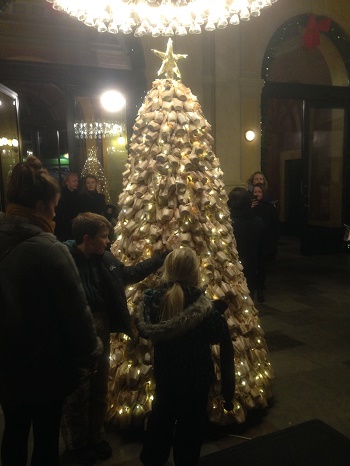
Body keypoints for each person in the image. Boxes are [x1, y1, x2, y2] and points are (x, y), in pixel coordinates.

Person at [0, 156, 102, 466]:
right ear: (43, 205)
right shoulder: (51, 250)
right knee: (46, 440)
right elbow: (77, 316)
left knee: (14, 432)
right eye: (54, 205)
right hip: (45, 368)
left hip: (6, 364)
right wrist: (91, 354)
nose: (56, 211)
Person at [61, 212, 168, 465]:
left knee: (99, 387)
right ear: (87, 238)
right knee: (77, 392)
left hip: (101, 329)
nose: (108, 242)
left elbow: (129, 274)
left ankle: (96, 436)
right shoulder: (65, 261)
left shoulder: (106, 259)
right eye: (104, 236)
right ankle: (78, 442)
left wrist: (160, 259)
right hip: (75, 334)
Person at [135, 247, 235, 466]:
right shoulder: (202, 304)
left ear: (167, 270)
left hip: (166, 375)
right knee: (191, 428)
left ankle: (153, 459)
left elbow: (143, 328)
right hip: (196, 378)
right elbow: (216, 335)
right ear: (194, 272)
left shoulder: (153, 299)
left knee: (161, 419)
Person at [228, 187, 265, 297]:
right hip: (252, 264)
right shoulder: (258, 221)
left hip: (230, 267)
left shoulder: (227, 223)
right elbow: (262, 247)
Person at [252, 183, 280, 302]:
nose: (257, 194)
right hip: (253, 240)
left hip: (265, 240)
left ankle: (260, 289)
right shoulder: (250, 206)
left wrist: (274, 241)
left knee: (263, 266)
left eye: (259, 192)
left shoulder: (269, 207)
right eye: (255, 192)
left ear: (263, 193)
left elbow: (275, 225)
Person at [54, 172, 80, 241]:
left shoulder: (77, 194)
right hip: (64, 225)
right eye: (74, 181)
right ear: (67, 183)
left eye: (77, 181)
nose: (77, 183)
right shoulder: (62, 195)